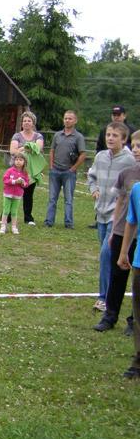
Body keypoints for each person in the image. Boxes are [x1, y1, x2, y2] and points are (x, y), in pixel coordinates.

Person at [95, 130, 140, 333]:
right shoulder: (127, 174)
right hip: (123, 230)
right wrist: (114, 231)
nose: (136, 150)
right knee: (117, 274)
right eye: (135, 145)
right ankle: (110, 315)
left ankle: (134, 321)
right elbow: (121, 201)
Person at [87, 122, 133, 311]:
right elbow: (91, 176)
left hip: (118, 216)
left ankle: (104, 298)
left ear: (123, 139)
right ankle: (109, 294)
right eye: (108, 135)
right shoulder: (100, 157)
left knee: (106, 254)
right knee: (106, 256)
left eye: (115, 135)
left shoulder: (129, 160)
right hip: (101, 212)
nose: (110, 138)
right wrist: (94, 189)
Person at [44, 110, 87, 228]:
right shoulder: (57, 135)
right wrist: (51, 166)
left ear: (75, 121)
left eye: (70, 118)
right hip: (55, 171)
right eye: (65, 118)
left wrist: (73, 168)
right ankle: (49, 221)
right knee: (52, 198)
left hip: (69, 172)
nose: (67, 120)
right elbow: (52, 150)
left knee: (68, 199)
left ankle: (68, 223)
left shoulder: (78, 137)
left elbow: (83, 154)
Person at [116, 181, 140, 379]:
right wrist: (124, 252)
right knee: (138, 317)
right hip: (139, 262)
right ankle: (138, 362)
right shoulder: (137, 190)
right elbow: (132, 222)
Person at [9, 111, 45, 225]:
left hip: (31, 170)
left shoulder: (38, 136)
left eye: (29, 121)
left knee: (28, 195)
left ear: (33, 123)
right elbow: (12, 151)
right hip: (17, 170)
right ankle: (7, 216)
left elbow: (37, 149)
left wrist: (21, 148)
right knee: (13, 193)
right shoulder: (17, 136)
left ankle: (28, 218)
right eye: (24, 121)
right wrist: (28, 147)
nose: (26, 123)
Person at [0, 153, 29, 235]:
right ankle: (3, 226)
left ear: (24, 162)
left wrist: (23, 183)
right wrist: (14, 181)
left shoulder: (25, 173)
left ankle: (14, 226)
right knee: (6, 210)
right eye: (17, 160)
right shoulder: (10, 170)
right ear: (14, 161)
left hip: (18, 195)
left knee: (14, 211)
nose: (18, 162)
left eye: (20, 160)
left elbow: (27, 184)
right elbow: (5, 180)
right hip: (8, 194)